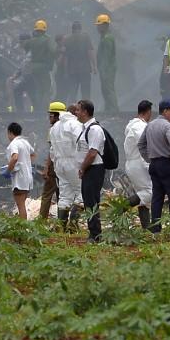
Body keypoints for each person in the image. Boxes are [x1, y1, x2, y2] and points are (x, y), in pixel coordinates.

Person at [138, 98, 170, 232]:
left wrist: (149, 158)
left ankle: (155, 228)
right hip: (168, 164)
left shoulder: (150, 125)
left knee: (157, 197)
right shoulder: (168, 125)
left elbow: (141, 144)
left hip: (154, 165)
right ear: (165, 111)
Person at [72, 99, 107, 242]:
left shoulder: (94, 129)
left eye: (78, 110)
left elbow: (93, 153)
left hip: (94, 169)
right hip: (89, 169)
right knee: (88, 201)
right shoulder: (85, 128)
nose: (76, 113)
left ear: (85, 112)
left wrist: (83, 167)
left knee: (91, 202)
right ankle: (94, 233)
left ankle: (95, 235)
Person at [48, 100, 83, 230]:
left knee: (64, 195)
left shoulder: (54, 128)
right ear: (75, 113)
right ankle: (73, 225)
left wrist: (56, 164)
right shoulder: (75, 124)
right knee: (81, 193)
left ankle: (60, 225)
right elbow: (81, 144)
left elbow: (52, 150)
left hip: (60, 164)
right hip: (73, 163)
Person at [123, 100, 154, 228]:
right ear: (148, 112)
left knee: (143, 195)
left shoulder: (132, 125)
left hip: (133, 163)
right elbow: (144, 146)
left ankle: (146, 227)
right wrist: (149, 165)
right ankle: (122, 207)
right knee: (149, 192)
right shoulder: (140, 127)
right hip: (138, 163)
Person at [17, 20, 58, 113]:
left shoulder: (31, 41)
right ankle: (44, 110)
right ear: (44, 30)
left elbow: (25, 46)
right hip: (44, 68)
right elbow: (53, 51)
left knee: (39, 89)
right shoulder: (47, 40)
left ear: (36, 30)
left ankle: (38, 110)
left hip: (33, 69)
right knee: (46, 89)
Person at [58, 22, 94, 105]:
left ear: (72, 29)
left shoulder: (67, 39)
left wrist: (66, 71)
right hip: (85, 69)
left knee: (73, 91)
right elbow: (90, 52)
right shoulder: (86, 37)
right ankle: (87, 109)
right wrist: (94, 66)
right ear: (80, 29)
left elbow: (65, 56)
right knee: (85, 91)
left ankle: (72, 110)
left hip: (72, 70)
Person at [6, 122, 35, 219]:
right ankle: (23, 226)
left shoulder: (14, 143)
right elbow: (33, 154)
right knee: (22, 204)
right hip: (27, 177)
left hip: (19, 178)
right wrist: (26, 163)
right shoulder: (25, 142)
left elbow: (14, 157)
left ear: (10, 132)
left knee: (20, 205)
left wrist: (8, 170)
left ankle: (22, 228)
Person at [94, 14, 118, 114]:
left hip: (108, 68)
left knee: (108, 88)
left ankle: (113, 109)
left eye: (99, 25)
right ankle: (109, 108)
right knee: (105, 88)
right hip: (106, 68)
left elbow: (106, 57)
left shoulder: (107, 38)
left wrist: (103, 70)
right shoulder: (104, 37)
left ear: (105, 25)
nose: (97, 27)